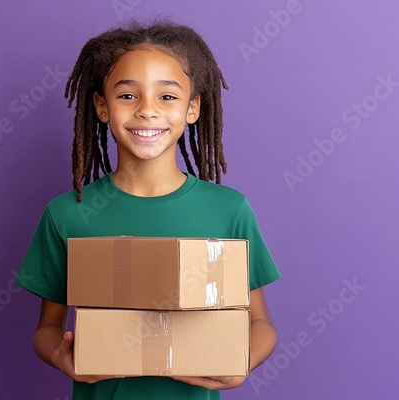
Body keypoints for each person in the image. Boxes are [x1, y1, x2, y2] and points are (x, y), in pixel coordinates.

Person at [14, 19, 281, 400]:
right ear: (102, 107)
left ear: (193, 109)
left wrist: (241, 364)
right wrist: (61, 357)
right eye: (127, 96)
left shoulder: (228, 209)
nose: (147, 111)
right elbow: (47, 329)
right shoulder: (68, 214)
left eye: (167, 97)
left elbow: (261, 323)